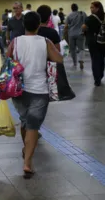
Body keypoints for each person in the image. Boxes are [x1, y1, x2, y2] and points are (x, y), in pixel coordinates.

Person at [7, 12, 63, 179]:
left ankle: (26, 151)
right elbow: (58, 59)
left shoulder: (15, 41)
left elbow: (8, 59)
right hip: (40, 90)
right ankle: (27, 162)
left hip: (18, 90)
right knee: (33, 125)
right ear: (39, 25)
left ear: (24, 24)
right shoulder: (45, 42)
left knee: (26, 122)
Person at [83, 1, 105, 86]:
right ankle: (101, 75)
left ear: (97, 8)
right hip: (104, 42)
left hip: (93, 42)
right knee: (102, 58)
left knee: (95, 60)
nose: (91, 9)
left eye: (92, 7)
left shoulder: (90, 18)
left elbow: (84, 28)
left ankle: (97, 80)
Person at [65, 4, 86, 69]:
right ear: (77, 8)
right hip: (80, 34)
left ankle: (75, 63)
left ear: (71, 8)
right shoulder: (82, 13)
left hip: (71, 34)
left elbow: (66, 26)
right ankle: (81, 60)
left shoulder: (69, 15)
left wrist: (64, 35)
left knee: (72, 49)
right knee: (81, 48)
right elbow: (86, 22)